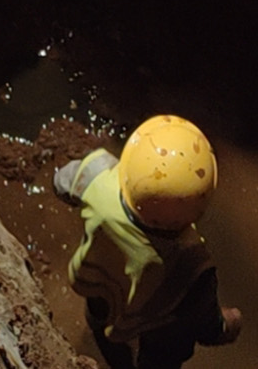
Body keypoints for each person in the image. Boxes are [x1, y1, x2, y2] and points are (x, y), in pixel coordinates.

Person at [53, 114, 242, 369]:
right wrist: (227, 325)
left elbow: (61, 183)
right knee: (167, 349)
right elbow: (206, 326)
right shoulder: (193, 264)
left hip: (99, 282)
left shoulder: (98, 174)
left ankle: (109, 346)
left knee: (101, 315)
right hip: (155, 321)